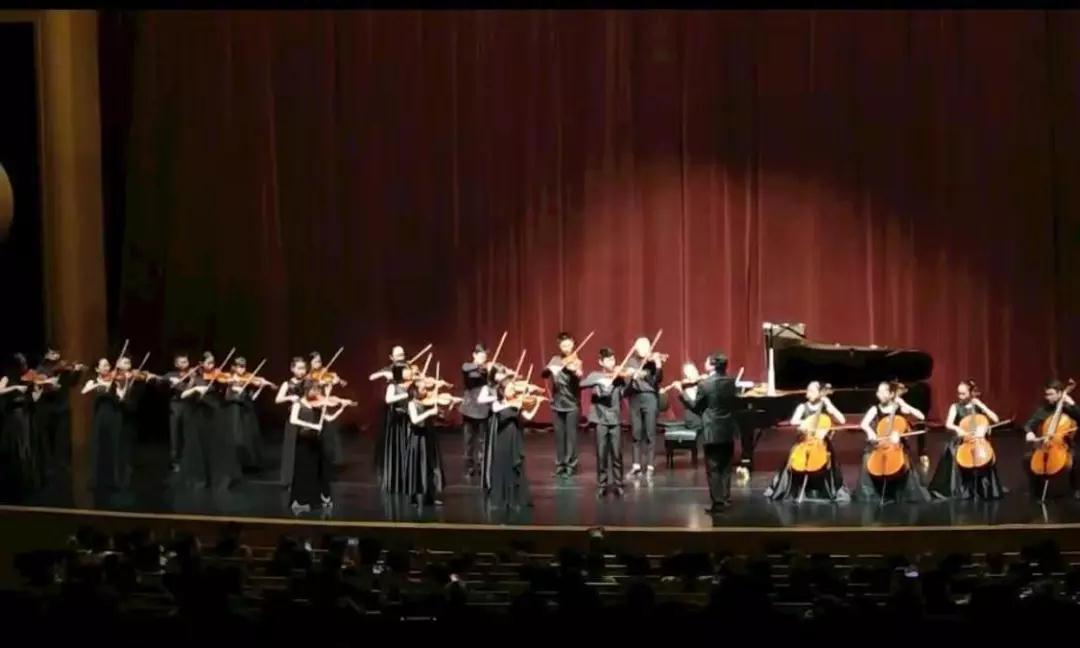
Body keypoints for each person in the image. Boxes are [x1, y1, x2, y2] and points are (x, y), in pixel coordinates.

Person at [763, 381, 849, 502]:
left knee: (830, 459)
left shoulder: (826, 405)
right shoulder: (802, 407)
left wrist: (830, 406)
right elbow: (793, 421)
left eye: (812, 391)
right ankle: (793, 488)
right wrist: (805, 423)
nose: (809, 393)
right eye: (808, 390)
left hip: (820, 443)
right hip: (804, 441)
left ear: (820, 393)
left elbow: (842, 420)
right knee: (791, 459)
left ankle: (826, 489)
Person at [854, 381, 931, 503]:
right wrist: (870, 432)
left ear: (891, 394)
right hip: (880, 444)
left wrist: (904, 404)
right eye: (878, 391)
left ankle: (902, 492)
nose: (879, 394)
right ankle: (870, 493)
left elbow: (921, 417)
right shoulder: (875, 409)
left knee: (903, 459)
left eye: (883, 391)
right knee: (867, 457)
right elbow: (864, 424)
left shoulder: (900, 408)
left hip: (896, 445)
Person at [928, 380, 1005, 500]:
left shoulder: (978, 407)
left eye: (963, 393)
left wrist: (982, 406)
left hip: (978, 440)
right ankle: (961, 489)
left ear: (971, 393)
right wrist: (958, 429)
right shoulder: (955, 407)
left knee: (985, 456)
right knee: (953, 452)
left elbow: (996, 419)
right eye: (959, 393)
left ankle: (983, 488)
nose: (960, 396)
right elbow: (948, 424)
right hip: (962, 440)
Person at [179, 352, 240, 490]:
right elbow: (183, 395)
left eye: (213, 363)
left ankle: (218, 477)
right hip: (199, 416)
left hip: (216, 414)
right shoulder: (195, 378)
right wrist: (196, 388)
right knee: (200, 445)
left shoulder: (218, 377)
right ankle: (200, 477)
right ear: (201, 363)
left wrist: (231, 385)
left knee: (217, 445)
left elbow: (226, 394)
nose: (212, 366)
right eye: (208, 363)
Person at [288, 383, 349, 513]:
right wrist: (313, 426)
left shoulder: (317, 405)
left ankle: (317, 498)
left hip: (315, 442)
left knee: (316, 470)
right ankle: (300, 500)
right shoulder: (298, 403)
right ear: (306, 391)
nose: (316, 394)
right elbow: (293, 420)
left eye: (317, 391)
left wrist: (341, 408)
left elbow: (329, 418)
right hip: (303, 442)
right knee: (303, 470)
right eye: (314, 391)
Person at [691, 352, 739, 513]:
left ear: (712, 365)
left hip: (712, 429)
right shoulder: (732, 382)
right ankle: (726, 499)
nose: (704, 363)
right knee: (726, 467)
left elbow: (696, 408)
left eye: (707, 361)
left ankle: (718, 502)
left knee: (713, 468)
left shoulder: (705, 384)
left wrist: (683, 394)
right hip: (728, 428)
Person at [489, 379, 544, 511]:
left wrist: (537, 403)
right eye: (510, 388)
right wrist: (515, 403)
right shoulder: (498, 403)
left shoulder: (518, 403)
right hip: (503, 438)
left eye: (514, 389)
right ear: (502, 391)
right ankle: (503, 498)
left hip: (515, 437)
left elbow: (528, 416)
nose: (513, 391)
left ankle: (517, 498)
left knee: (516, 466)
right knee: (503, 466)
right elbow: (498, 410)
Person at [1022, 379, 1080, 499]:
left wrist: (1072, 403)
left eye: (1051, 394)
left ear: (1060, 393)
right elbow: (1028, 425)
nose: (1047, 397)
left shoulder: (1069, 409)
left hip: (1065, 445)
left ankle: (1077, 488)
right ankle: (1036, 489)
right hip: (1045, 444)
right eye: (1046, 394)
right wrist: (1029, 433)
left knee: (1077, 458)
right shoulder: (1043, 410)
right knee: (1027, 459)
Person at [580, 348, 626, 498]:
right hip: (600, 420)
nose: (612, 362)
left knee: (617, 453)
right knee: (601, 454)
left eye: (613, 359)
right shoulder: (595, 375)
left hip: (615, 419)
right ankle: (602, 484)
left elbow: (626, 392)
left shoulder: (619, 377)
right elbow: (582, 384)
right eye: (608, 360)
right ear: (601, 362)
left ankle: (618, 483)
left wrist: (629, 379)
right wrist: (599, 380)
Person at [32, 348, 85, 475]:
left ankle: (63, 464)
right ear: (46, 354)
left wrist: (77, 372)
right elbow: (38, 386)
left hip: (62, 407)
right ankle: (48, 466)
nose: (56, 355)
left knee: (62, 438)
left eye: (57, 353)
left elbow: (72, 383)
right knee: (47, 439)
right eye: (53, 353)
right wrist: (50, 385)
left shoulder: (64, 369)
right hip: (47, 408)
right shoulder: (41, 369)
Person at [81, 358, 129, 492]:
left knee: (114, 447)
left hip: (114, 416)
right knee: (97, 447)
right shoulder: (93, 381)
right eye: (104, 366)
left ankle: (115, 481)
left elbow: (121, 398)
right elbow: (84, 391)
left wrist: (119, 387)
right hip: (99, 417)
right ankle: (94, 480)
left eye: (108, 365)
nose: (107, 368)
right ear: (97, 369)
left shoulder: (115, 381)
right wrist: (99, 385)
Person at [542, 332, 583, 477]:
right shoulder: (555, 359)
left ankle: (571, 465)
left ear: (573, 345)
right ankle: (560, 464)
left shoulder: (576, 361)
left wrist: (574, 370)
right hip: (557, 403)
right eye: (563, 345)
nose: (566, 348)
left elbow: (579, 374)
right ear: (559, 346)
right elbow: (544, 374)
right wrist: (550, 369)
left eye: (569, 345)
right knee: (559, 436)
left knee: (571, 436)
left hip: (571, 403)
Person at [404, 380, 450, 508]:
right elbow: (415, 420)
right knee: (417, 466)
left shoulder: (426, 403)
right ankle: (413, 496)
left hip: (429, 437)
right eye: (423, 389)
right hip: (417, 438)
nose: (426, 391)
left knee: (430, 466)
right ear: (415, 391)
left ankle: (430, 495)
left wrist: (440, 413)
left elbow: (437, 417)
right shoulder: (412, 404)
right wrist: (428, 413)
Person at [624, 336, 664, 479]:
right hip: (635, 397)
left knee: (650, 433)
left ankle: (650, 466)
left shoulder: (652, 363)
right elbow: (626, 384)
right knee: (636, 433)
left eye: (646, 347)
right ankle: (636, 465)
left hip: (650, 398)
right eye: (640, 347)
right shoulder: (631, 361)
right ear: (635, 348)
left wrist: (658, 366)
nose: (643, 350)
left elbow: (657, 380)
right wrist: (632, 377)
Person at [0, 354, 40, 499]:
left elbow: (34, 399)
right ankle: (12, 484)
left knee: (25, 449)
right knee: (14, 448)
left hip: (25, 416)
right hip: (13, 417)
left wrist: (39, 389)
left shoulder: (27, 379)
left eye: (25, 364)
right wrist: (15, 387)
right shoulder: (7, 378)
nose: (25, 367)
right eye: (22, 364)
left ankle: (26, 484)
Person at [222, 357, 270, 472]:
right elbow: (226, 397)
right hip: (234, 410)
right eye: (239, 367)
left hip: (247, 410)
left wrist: (260, 387)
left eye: (244, 367)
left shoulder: (248, 379)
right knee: (236, 436)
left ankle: (249, 463)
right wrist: (233, 387)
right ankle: (235, 463)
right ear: (234, 367)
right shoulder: (228, 379)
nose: (242, 370)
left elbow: (252, 397)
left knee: (249, 436)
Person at [377, 363, 412, 493]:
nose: (409, 372)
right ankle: (397, 480)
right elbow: (388, 399)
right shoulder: (393, 386)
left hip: (407, 420)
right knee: (397, 450)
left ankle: (408, 479)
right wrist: (405, 395)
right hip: (397, 422)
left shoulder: (410, 386)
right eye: (406, 370)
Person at [308, 352, 345, 467]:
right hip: (313, 404)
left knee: (330, 431)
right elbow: (309, 389)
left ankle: (332, 459)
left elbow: (337, 381)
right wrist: (319, 382)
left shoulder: (326, 373)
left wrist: (337, 380)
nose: (319, 363)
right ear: (310, 363)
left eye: (320, 361)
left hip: (324, 403)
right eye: (316, 361)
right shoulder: (308, 376)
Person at [276, 357, 309, 487]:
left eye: (304, 368)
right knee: (291, 449)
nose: (302, 371)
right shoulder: (287, 384)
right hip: (293, 419)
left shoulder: (308, 382)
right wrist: (289, 397)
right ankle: (289, 479)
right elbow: (278, 399)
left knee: (306, 449)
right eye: (299, 368)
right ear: (292, 369)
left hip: (306, 418)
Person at [461, 343, 491, 478]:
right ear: (474, 355)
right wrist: (480, 366)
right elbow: (466, 368)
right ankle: (469, 467)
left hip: (483, 408)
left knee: (483, 440)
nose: (483, 360)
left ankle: (482, 465)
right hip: (469, 408)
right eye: (481, 357)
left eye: (485, 357)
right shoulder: (468, 367)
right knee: (468, 440)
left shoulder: (486, 370)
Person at [162, 352, 193, 473]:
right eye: (182, 362)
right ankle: (175, 461)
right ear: (176, 364)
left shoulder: (193, 374)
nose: (185, 364)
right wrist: (170, 380)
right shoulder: (172, 374)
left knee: (188, 434)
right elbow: (161, 380)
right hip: (176, 406)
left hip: (189, 406)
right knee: (175, 435)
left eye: (186, 361)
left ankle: (188, 460)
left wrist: (192, 379)